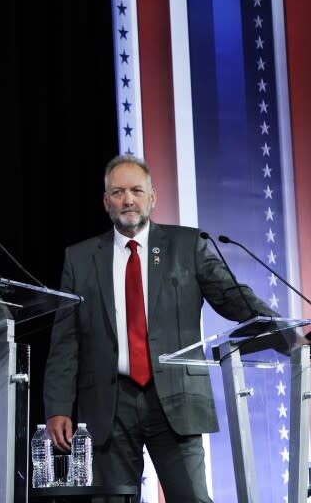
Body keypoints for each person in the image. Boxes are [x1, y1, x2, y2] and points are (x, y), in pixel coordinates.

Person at [43, 154, 281, 502]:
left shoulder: (188, 246)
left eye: (137, 190)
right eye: (118, 192)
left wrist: (284, 332)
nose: (128, 199)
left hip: (175, 399)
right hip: (109, 405)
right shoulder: (80, 259)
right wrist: (58, 406)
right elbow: (65, 340)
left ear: (152, 197)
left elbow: (233, 297)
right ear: (105, 201)